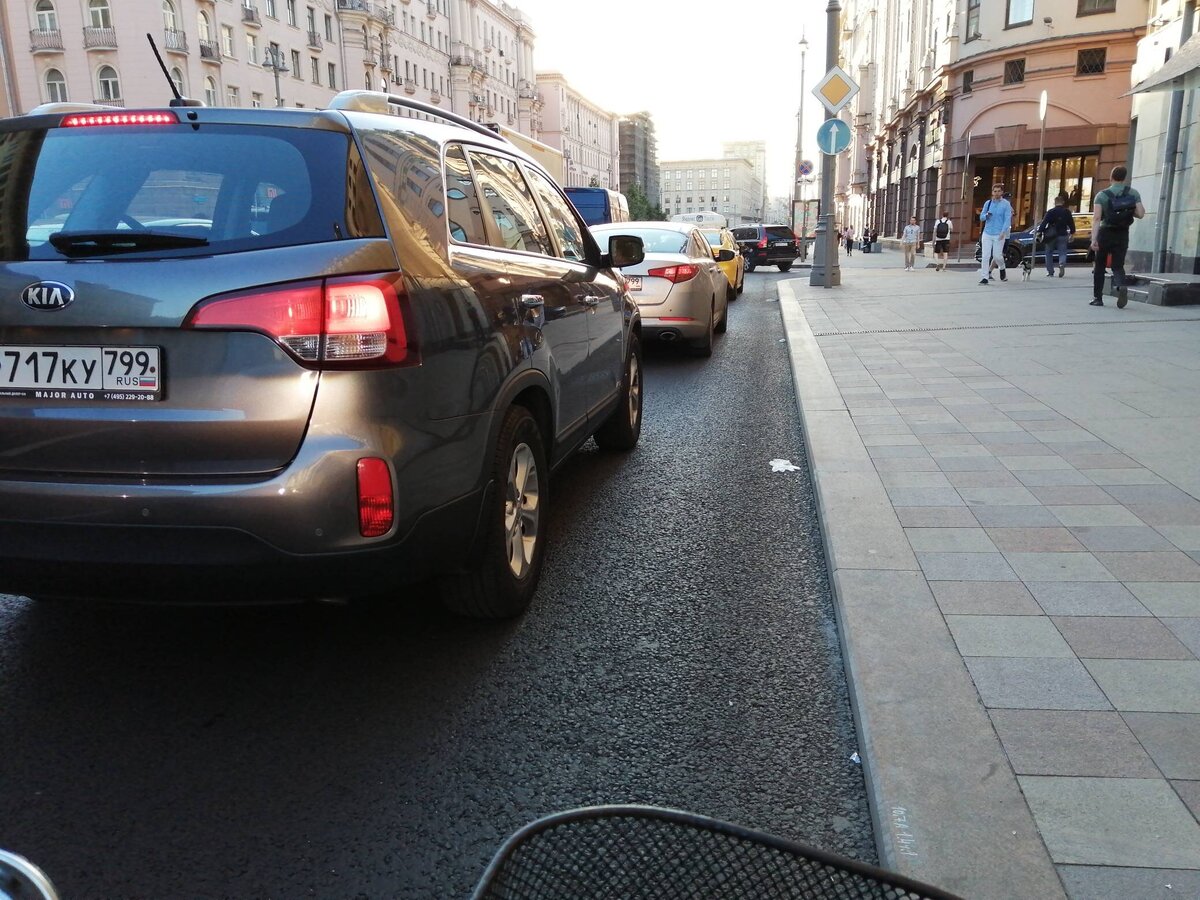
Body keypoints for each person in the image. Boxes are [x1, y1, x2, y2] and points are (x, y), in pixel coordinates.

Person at [1090, 165, 1144, 308]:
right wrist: (1126, 210)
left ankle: (1098, 298)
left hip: (1105, 233)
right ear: (1124, 178)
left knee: (1100, 266)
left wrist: (1093, 239)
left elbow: (1096, 218)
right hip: (1122, 233)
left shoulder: (1102, 195)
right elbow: (1141, 214)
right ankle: (1121, 286)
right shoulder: (1133, 193)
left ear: (1111, 176)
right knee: (1118, 265)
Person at [977, 183, 1012, 286]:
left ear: (1002, 192)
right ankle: (984, 277)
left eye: (999, 191)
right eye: (995, 191)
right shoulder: (988, 203)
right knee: (985, 255)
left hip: (999, 233)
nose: (996, 193)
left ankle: (1002, 267)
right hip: (987, 232)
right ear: (992, 192)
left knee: (997, 256)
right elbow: (981, 217)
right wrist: (986, 215)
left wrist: (1003, 231)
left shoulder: (1006, 204)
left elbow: (1007, 219)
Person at [1037, 195, 1075, 278]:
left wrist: (1039, 232)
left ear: (1055, 202)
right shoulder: (1067, 212)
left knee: (1048, 252)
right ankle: (1061, 263)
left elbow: (1044, 223)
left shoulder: (1050, 212)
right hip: (1063, 234)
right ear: (1063, 202)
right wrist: (1072, 233)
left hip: (1051, 235)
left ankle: (1050, 272)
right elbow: (1071, 223)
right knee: (1062, 251)